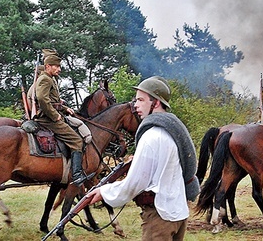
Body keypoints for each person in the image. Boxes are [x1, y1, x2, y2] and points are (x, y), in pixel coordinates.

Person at [86, 76, 200, 241]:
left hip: (159, 216)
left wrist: (104, 191)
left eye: (140, 100)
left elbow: (134, 183)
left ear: (156, 103)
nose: (135, 105)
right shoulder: (172, 131)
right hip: (178, 212)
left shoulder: (151, 136)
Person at [34, 52, 89, 186]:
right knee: (76, 141)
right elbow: (42, 99)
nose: (59, 69)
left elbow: (53, 101)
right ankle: (76, 175)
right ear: (48, 66)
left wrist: (64, 109)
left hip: (52, 115)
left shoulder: (50, 78)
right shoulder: (45, 79)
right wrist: (55, 115)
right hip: (48, 119)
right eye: (56, 66)